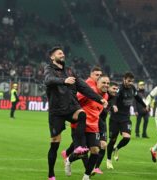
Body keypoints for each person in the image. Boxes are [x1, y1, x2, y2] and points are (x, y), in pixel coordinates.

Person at [44, 46, 107, 180]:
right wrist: (63, 81)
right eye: (59, 53)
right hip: (56, 111)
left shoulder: (70, 70)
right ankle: (51, 174)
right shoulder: (49, 69)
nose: (62, 55)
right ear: (52, 57)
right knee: (55, 143)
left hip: (71, 107)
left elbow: (84, 88)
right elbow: (48, 80)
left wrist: (100, 99)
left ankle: (79, 147)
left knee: (82, 114)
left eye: (63, 53)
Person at [64, 75, 110, 180]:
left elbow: (100, 115)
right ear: (97, 83)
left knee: (95, 151)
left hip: (93, 127)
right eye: (103, 83)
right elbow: (73, 103)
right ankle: (68, 160)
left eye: (108, 83)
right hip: (80, 125)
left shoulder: (106, 96)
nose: (106, 85)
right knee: (82, 152)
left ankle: (86, 176)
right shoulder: (88, 93)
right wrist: (68, 117)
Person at [106, 72, 147, 169]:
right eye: (129, 81)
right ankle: (108, 160)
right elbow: (115, 97)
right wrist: (114, 105)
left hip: (125, 118)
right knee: (112, 140)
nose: (130, 83)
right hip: (115, 118)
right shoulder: (120, 88)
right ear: (124, 79)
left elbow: (138, 98)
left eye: (132, 81)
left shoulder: (132, 89)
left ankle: (116, 148)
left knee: (127, 138)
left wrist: (145, 106)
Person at [93, 82, 119, 174]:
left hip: (102, 123)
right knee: (85, 146)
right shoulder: (101, 95)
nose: (115, 91)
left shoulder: (114, 97)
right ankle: (68, 157)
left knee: (103, 145)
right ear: (108, 88)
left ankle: (96, 168)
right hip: (93, 122)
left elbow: (113, 103)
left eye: (116, 89)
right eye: (113, 88)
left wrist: (114, 106)